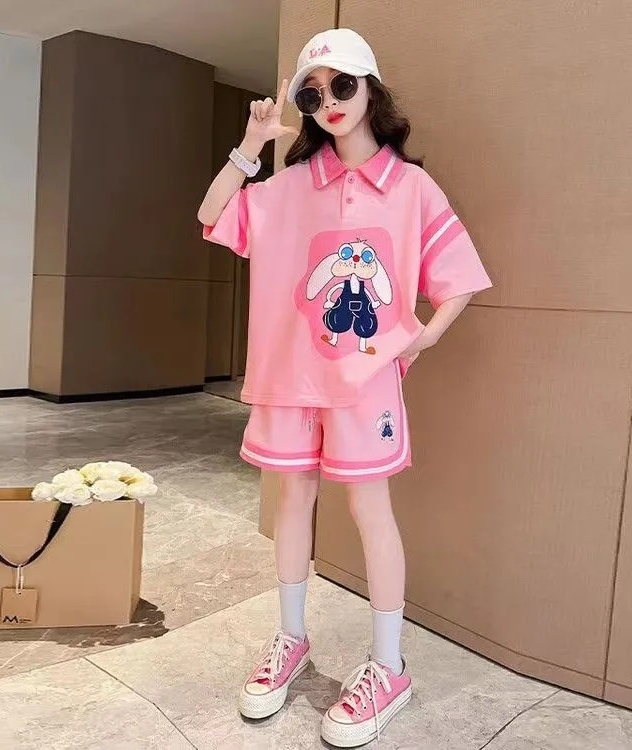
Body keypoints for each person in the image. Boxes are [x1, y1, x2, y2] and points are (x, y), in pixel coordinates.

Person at [198, 27, 492, 748]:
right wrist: (251, 144)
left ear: (370, 89)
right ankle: (290, 638)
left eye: (342, 85)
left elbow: (458, 277)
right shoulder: (290, 187)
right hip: (289, 377)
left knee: (369, 508)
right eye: (312, 93)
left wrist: (422, 337)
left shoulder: (411, 187)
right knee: (292, 499)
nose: (328, 101)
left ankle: (388, 666)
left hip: (364, 382)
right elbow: (212, 216)